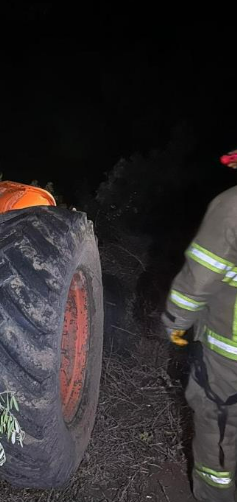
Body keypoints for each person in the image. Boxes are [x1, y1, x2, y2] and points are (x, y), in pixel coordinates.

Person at [163, 150, 237, 501]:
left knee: (217, 424)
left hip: (229, 357)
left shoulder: (232, 205)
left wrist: (176, 324)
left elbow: (198, 281)